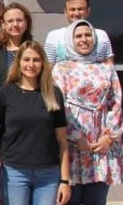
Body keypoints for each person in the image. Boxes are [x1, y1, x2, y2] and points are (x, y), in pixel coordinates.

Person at [0, 41, 71, 205]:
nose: (31, 65)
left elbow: (62, 141)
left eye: (36, 60)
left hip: (48, 175)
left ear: (43, 63)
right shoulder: (5, 93)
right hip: (14, 172)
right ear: (18, 62)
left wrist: (65, 181)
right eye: (26, 59)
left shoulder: (53, 94)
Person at [52, 20, 123, 204]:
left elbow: (116, 102)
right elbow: (59, 104)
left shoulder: (107, 68)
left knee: (96, 199)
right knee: (70, 199)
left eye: (88, 35)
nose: (84, 39)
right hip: (73, 146)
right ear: (70, 40)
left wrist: (109, 137)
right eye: (78, 36)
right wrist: (76, 136)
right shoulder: (61, 69)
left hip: (101, 146)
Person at [45, 0, 114, 64]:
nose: (76, 13)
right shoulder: (54, 36)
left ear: (88, 11)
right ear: (65, 12)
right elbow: (48, 66)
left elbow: (109, 66)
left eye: (80, 9)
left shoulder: (101, 35)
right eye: (72, 9)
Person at [0, 2, 33, 89]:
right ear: (3, 24)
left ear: (26, 23)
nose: (15, 24)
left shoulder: (34, 51)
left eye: (19, 20)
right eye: (10, 21)